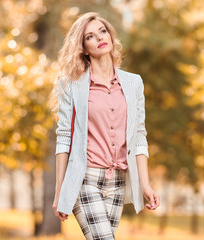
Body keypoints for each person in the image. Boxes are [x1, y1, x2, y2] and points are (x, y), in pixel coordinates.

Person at [50, 12, 160, 240]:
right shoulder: (71, 85)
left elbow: (139, 136)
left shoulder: (133, 83)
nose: (100, 37)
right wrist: (60, 191)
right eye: (90, 36)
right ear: (83, 48)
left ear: (110, 35)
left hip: (118, 181)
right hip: (85, 179)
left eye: (102, 31)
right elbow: (64, 138)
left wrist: (145, 184)